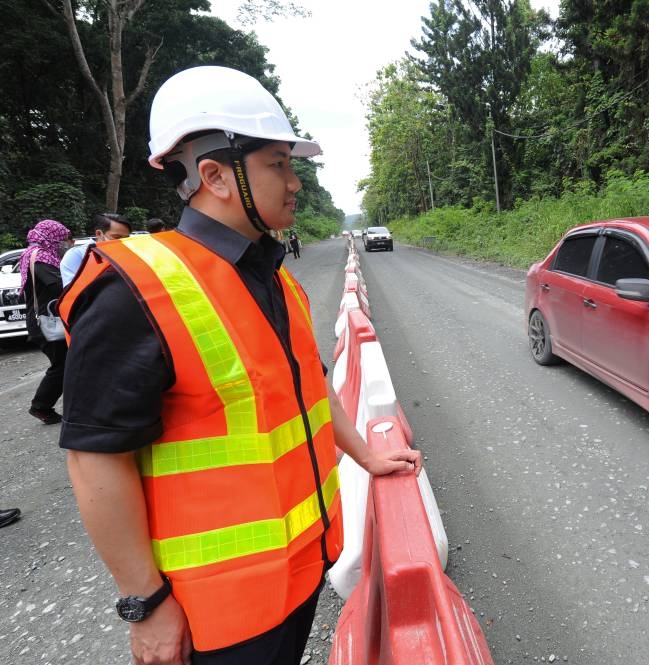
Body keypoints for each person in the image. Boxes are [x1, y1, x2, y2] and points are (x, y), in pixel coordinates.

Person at [58, 65, 421, 665]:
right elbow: (95, 457)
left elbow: (306, 389)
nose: (295, 181)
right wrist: (143, 603)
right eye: (278, 164)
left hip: (301, 576)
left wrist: (366, 456)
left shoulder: (274, 278)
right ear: (215, 176)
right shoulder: (137, 290)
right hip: (215, 620)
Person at [19, 219, 72, 424]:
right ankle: (41, 407)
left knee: (66, 363)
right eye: (62, 239)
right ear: (52, 237)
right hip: (45, 322)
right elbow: (57, 285)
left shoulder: (41, 254)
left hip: (46, 318)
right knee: (62, 364)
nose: (65, 243)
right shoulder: (39, 257)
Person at [60, 212, 132, 286]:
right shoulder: (77, 255)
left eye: (126, 239)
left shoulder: (129, 255)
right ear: (99, 234)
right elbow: (72, 291)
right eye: (116, 237)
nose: (122, 242)